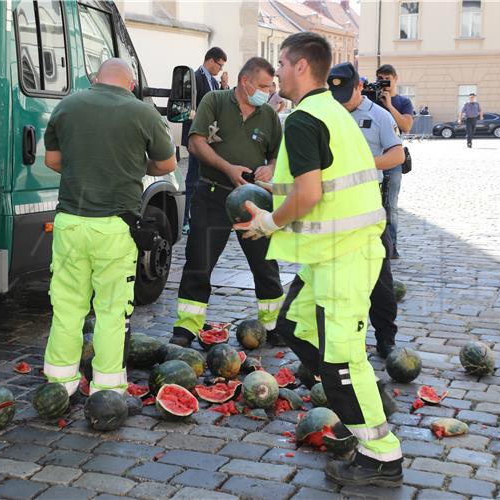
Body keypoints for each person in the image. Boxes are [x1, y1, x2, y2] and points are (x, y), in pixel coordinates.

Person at [235, 32, 404, 487]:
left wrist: (270, 222)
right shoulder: (332, 111)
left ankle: (381, 456)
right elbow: (319, 184)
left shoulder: (306, 119)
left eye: (283, 65)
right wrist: (275, 188)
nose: (277, 74)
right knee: (292, 326)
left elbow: (308, 196)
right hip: (331, 256)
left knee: (341, 362)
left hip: (344, 258)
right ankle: (358, 397)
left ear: (301, 67)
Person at [42, 59, 177, 395]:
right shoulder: (142, 112)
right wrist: (130, 165)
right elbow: (167, 163)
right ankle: (107, 386)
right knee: (111, 309)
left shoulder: (68, 105)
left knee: (67, 306)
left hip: (70, 223)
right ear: (131, 84)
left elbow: (52, 160)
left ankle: (61, 380)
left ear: (96, 79)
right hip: (116, 228)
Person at [169, 57, 285, 348]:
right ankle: (187, 326)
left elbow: (276, 154)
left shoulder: (269, 115)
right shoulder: (215, 101)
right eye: (262, 85)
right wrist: (227, 168)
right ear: (244, 82)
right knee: (199, 260)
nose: (268, 91)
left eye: (271, 86)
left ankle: (273, 326)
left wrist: (270, 167)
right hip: (213, 194)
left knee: (265, 263)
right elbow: (195, 143)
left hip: (254, 200)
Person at [327, 62, 405, 360]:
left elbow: (397, 154)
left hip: (369, 207)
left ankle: (386, 338)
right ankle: (345, 336)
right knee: (337, 277)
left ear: (359, 86)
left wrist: (365, 161)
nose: (342, 101)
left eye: (347, 93)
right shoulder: (330, 113)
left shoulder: (380, 116)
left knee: (379, 278)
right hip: (334, 208)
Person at [181, 47, 228, 235]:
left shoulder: (215, 84)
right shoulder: (194, 77)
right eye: (220, 65)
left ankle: (203, 216)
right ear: (211, 61)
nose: (221, 69)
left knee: (207, 179)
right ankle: (185, 220)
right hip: (196, 136)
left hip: (211, 139)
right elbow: (187, 106)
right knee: (192, 179)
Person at [375, 64, 414, 259]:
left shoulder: (403, 102)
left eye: (387, 80)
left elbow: (406, 126)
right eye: (380, 79)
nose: (384, 84)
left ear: (395, 78)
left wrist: (389, 105)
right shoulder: (371, 99)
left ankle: (391, 248)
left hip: (393, 159)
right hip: (373, 159)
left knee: (390, 205)